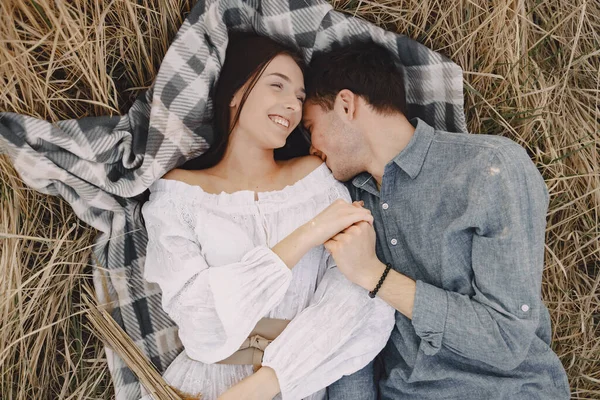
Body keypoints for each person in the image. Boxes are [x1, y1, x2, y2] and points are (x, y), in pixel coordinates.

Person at [244, 41, 571, 399]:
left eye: (311, 127)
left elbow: (506, 339)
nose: (311, 149)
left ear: (346, 104)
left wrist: (375, 276)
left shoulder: (489, 171)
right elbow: (346, 334)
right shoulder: (344, 202)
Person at [138, 33, 395, 400]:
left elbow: (362, 301)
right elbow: (201, 321)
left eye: (300, 97)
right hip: (199, 387)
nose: (292, 104)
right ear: (235, 93)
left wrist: (266, 383)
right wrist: (308, 233)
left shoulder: (315, 181)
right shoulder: (178, 195)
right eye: (278, 85)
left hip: (296, 382)